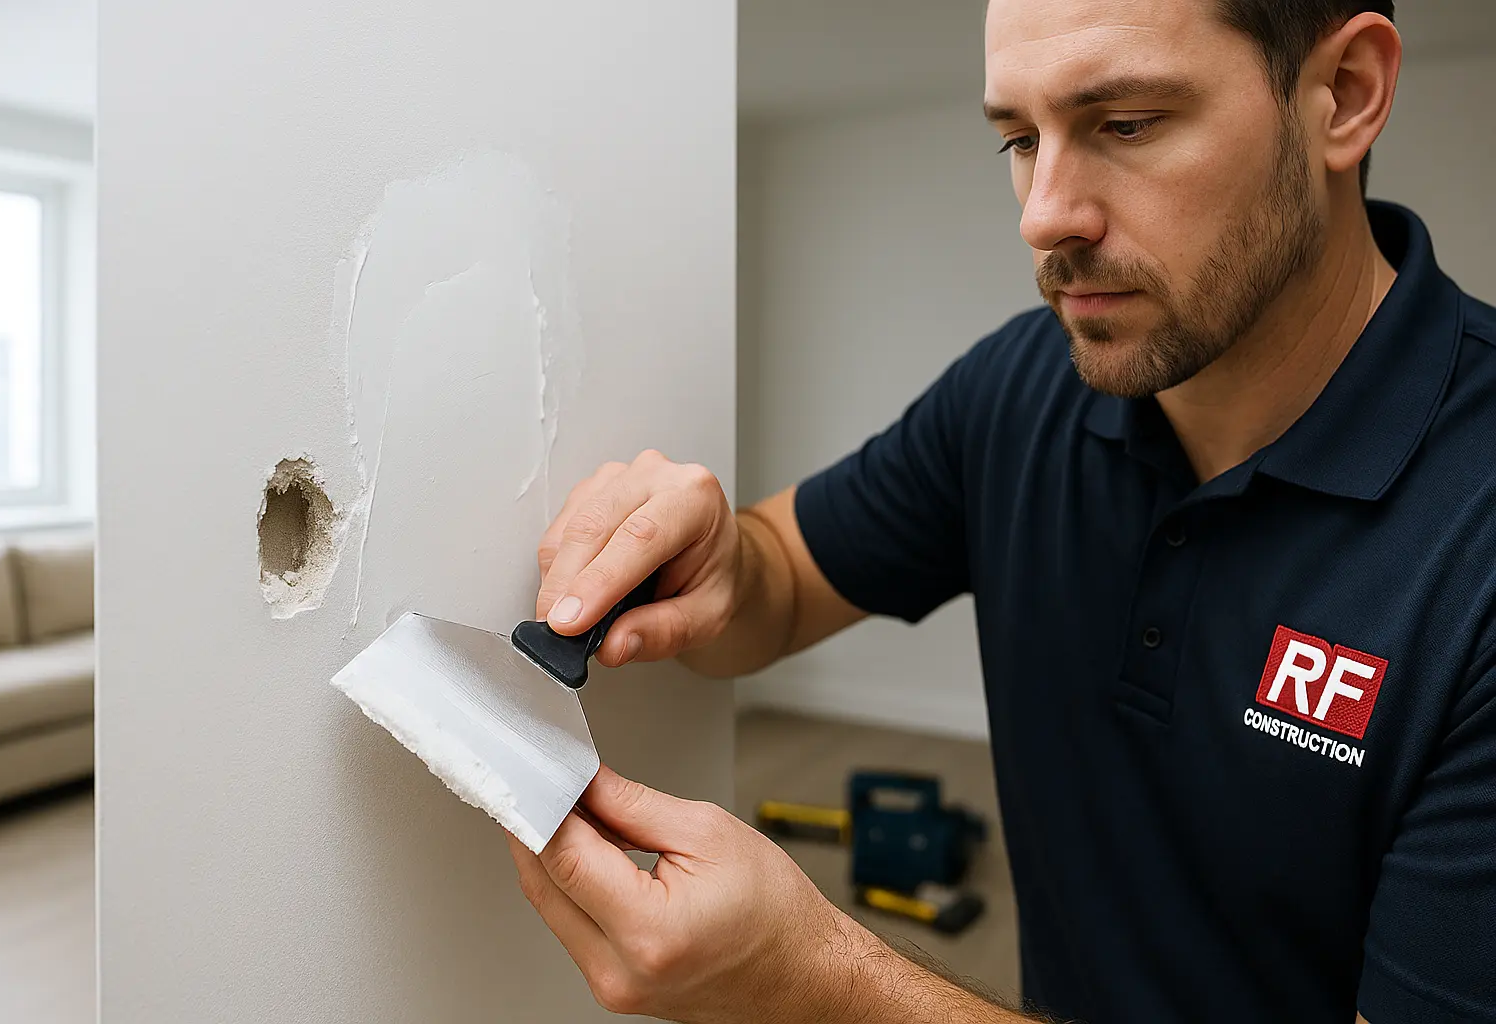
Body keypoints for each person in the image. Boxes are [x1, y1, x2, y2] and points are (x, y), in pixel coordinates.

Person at [504, 0, 1496, 1021]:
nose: (1042, 213)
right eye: (1020, 139)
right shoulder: (1021, 390)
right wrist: (721, 564)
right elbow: (781, 581)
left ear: (1346, 95)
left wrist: (812, 981)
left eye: (1127, 123)